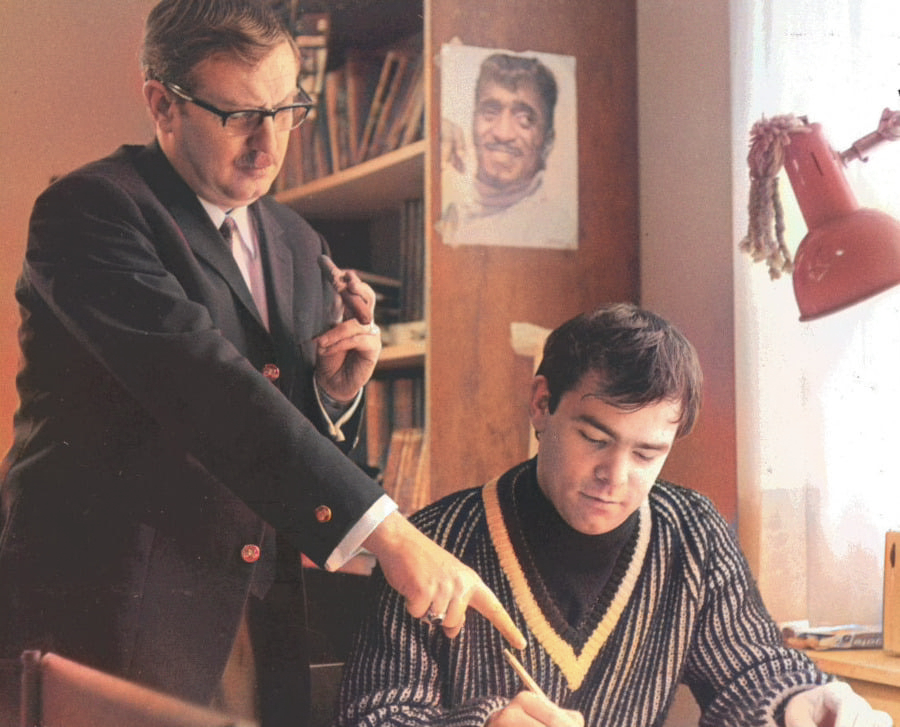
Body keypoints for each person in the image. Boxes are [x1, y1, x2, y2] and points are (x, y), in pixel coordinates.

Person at [0, 1, 523, 725]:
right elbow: (206, 386)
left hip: (253, 615)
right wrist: (392, 533)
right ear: (162, 103)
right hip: (107, 617)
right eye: (241, 116)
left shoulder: (296, 240)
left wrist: (333, 395)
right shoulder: (89, 211)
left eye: (286, 111)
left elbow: (282, 425)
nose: (269, 145)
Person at [337, 303, 893, 727]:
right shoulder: (432, 545)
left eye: (647, 454)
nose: (616, 476)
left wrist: (801, 702)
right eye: (595, 438)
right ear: (541, 404)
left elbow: (749, 670)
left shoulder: (691, 533)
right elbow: (374, 716)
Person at [439, 52, 576, 249]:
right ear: (473, 122)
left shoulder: (552, 232)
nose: (503, 134)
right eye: (490, 112)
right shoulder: (454, 206)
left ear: (547, 142)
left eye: (524, 120)